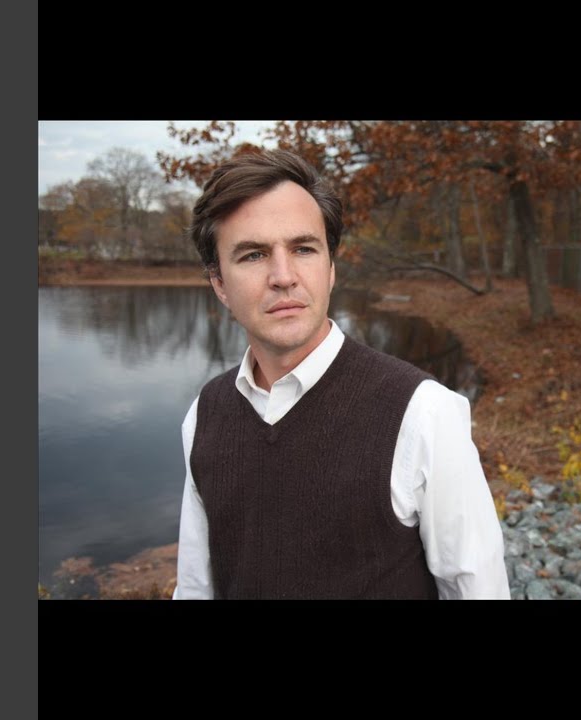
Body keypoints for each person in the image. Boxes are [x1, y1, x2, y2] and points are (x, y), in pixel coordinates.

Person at [172, 149, 509, 599]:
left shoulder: (423, 413)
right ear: (219, 284)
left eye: (303, 249)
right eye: (253, 255)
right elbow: (196, 588)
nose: (283, 276)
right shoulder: (206, 414)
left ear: (331, 268)